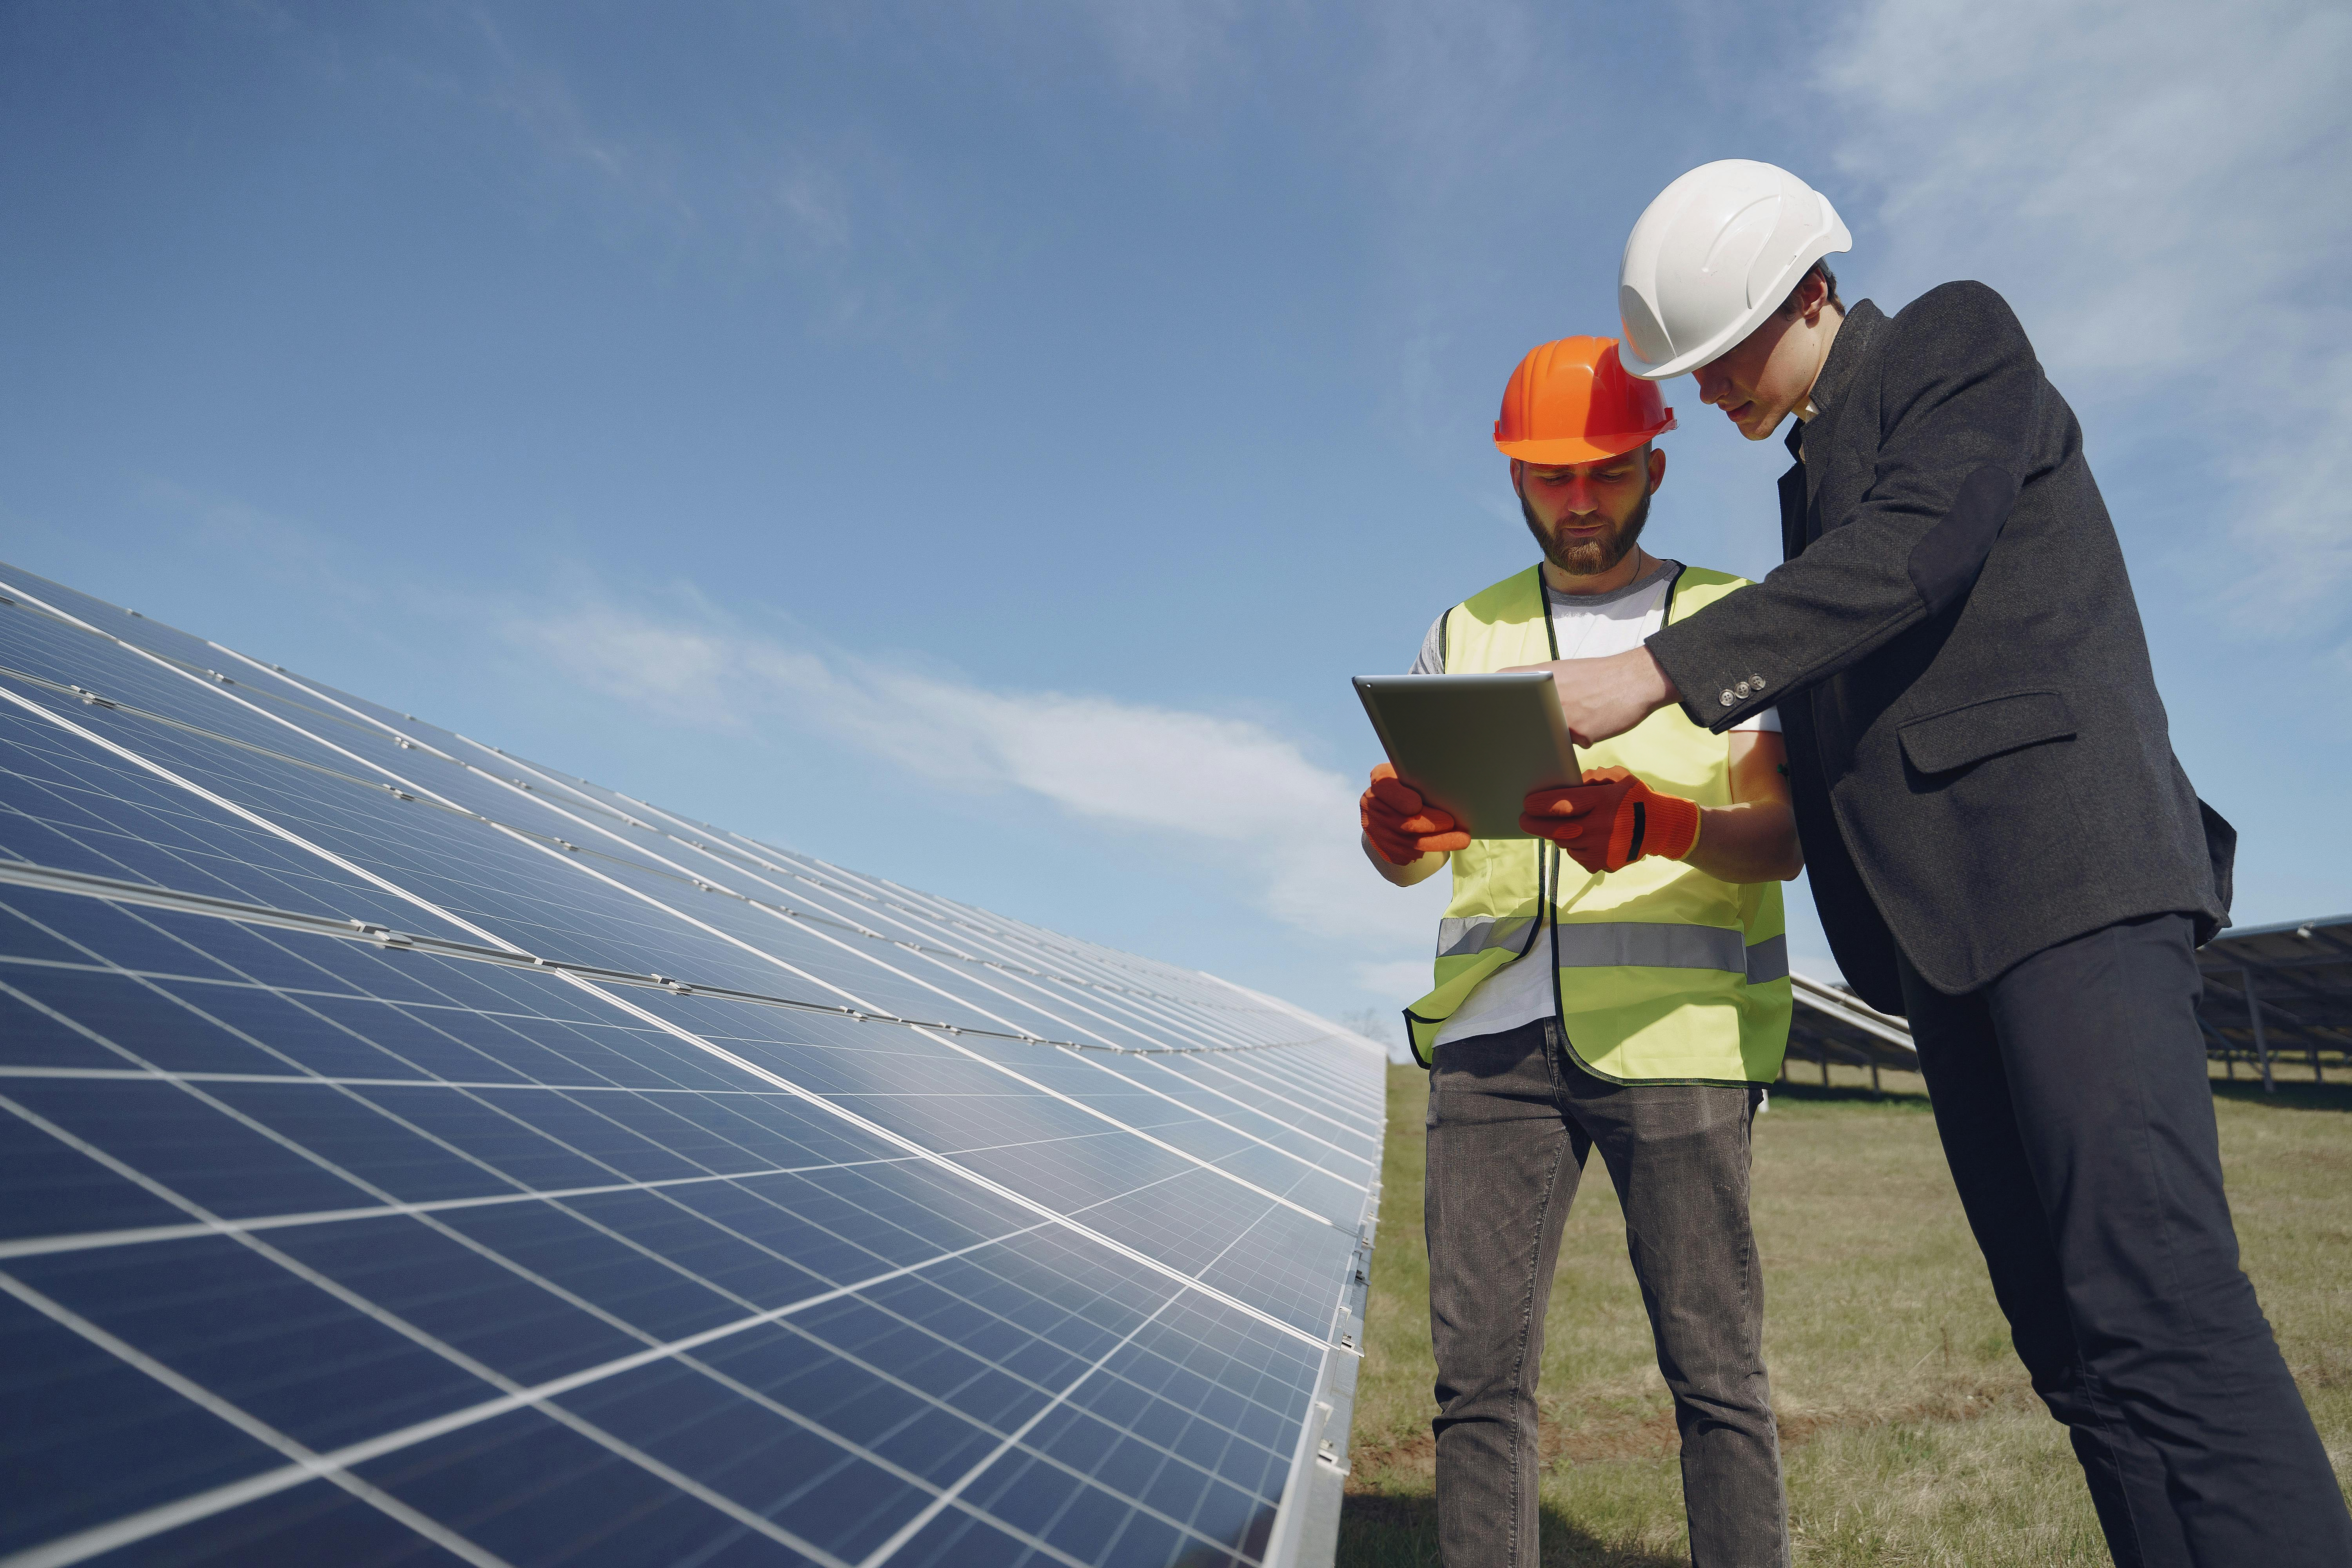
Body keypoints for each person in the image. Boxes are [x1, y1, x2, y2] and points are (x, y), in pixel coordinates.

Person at [1530, 158, 2350, 1566]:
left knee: (2158, 1306)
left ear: (1810, 292)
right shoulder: (1809, 482)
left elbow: (1912, 556)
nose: (1708, 387)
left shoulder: (1958, 344)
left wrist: (1652, 677)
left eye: (1722, 352)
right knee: (2072, 1353)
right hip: (1947, 939)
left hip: (2069, 885)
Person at [1360, 334, 1802, 1568]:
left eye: (1605, 472)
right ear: (1514, 476)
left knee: (1716, 1379)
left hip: (1680, 1039)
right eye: (1551, 477)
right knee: (1476, 1387)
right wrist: (1388, 833)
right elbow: (1421, 855)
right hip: (1492, 1045)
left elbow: (1783, 838)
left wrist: (1660, 821)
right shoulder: (1467, 626)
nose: (1579, 502)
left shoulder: (1727, 617)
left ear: (1654, 462)